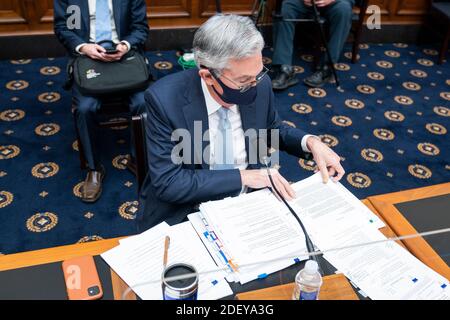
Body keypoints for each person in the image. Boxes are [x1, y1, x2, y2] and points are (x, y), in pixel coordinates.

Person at [137, 14, 345, 232]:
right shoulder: (164, 100)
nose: (255, 85)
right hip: (189, 210)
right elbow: (170, 182)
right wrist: (244, 176)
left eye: (257, 74)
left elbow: (270, 129)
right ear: (208, 76)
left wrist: (311, 143)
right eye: (244, 81)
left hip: (249, 202)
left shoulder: (259, 82)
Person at [54, 0, 150, 202]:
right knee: (85, 107)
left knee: (143, 101)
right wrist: (84, 47)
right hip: (88, 59)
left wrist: (125, 45)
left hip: (125, 58)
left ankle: (137, 159)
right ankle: (94, 168)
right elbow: (64, 29)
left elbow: (140, 28)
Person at [272, 0, 354, 89]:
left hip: (336, 2)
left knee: (344, 10)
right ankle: (284, 68)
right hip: (304, 2)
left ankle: (327, 68)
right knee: (285, 9)